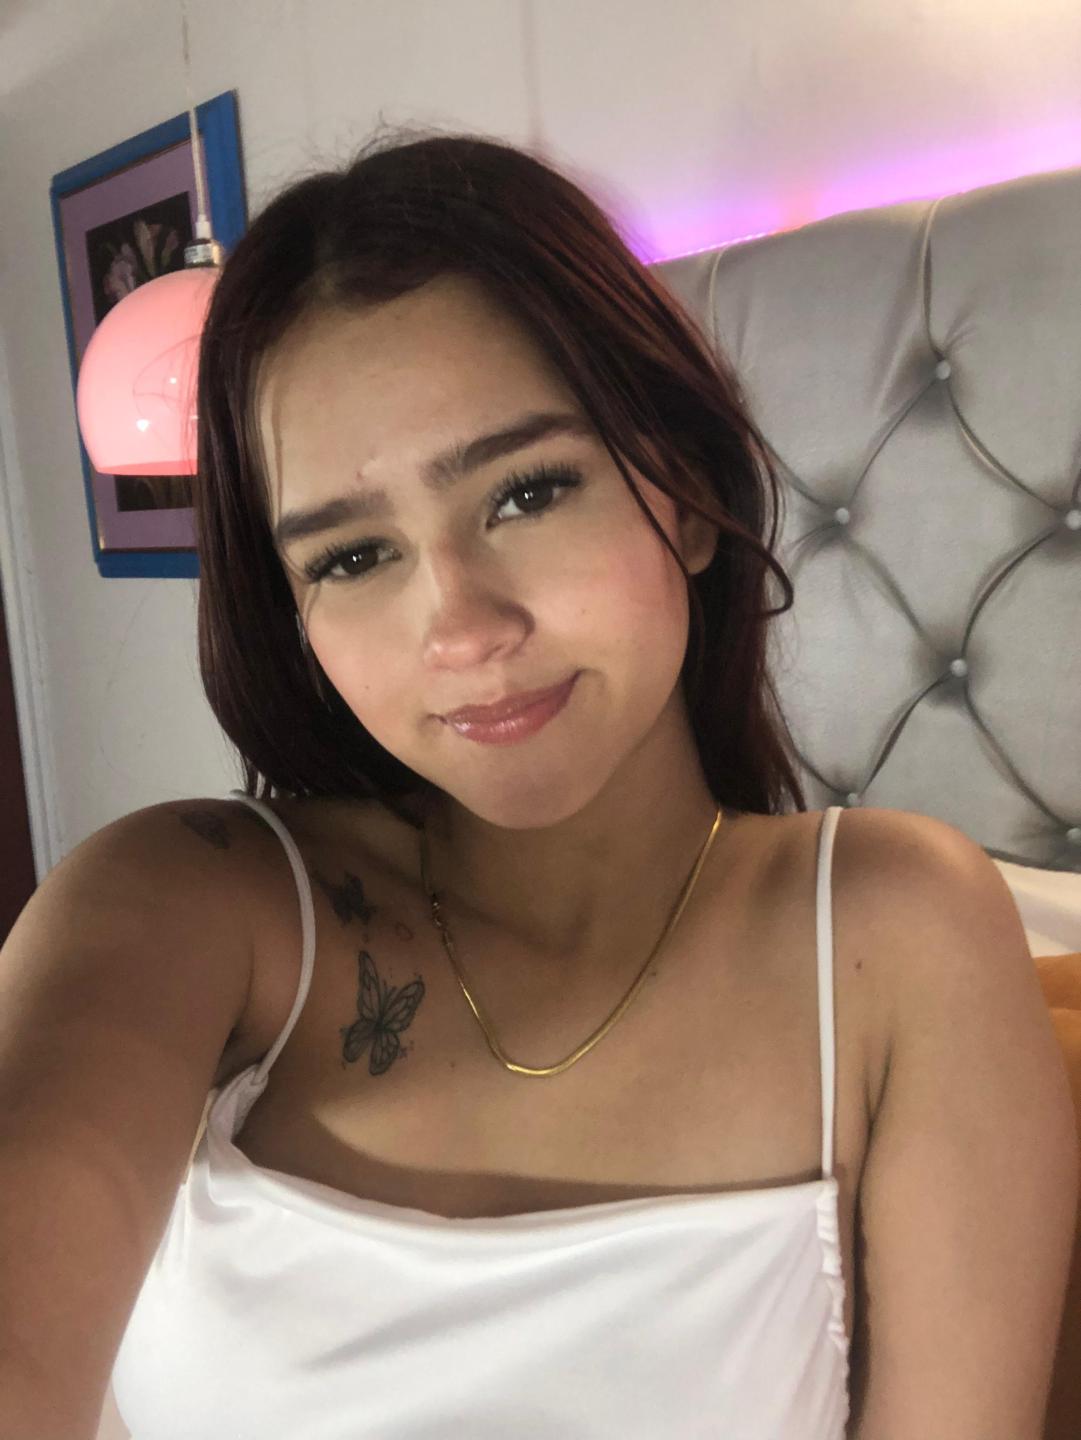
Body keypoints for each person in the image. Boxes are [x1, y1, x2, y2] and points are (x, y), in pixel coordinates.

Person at [1, 127, 1076, 1440]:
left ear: (685, 495)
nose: (460, 630)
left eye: (526, 492)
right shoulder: (183, 908)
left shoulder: (892, 932)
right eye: (351, 558)